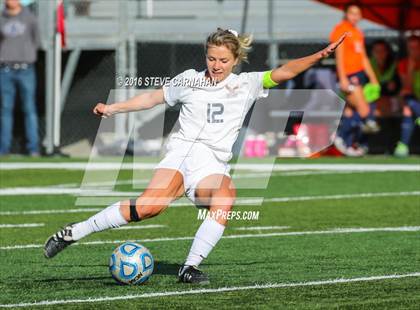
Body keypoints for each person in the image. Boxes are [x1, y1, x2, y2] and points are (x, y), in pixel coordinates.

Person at [44, 28, 346, 284]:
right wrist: (113, 108)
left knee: (225, 198)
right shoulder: (188, 79)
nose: (216, 65)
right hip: (181, 156)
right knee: (150, 208)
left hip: (212, 165)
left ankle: (189, 267)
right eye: (212, 58)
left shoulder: (247, 83)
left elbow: (286, 71)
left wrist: (319, 55)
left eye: (223, 60)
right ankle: (74, 232)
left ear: (236, 60)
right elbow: (152, 97)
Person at [330, 2, 381, 156]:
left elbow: (363, 57)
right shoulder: (340, 29)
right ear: (345, 13)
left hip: (359, 76)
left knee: (351, 112)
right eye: (352, 13)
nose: (355, 16)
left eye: (357, 13)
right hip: (349, 76)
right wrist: (343, 78)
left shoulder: (358, 32)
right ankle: (341, 136)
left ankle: (349, 142)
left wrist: (373, 78)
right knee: (364, 110)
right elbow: (338, 56)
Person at [0, 0, 40, 156]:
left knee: (29, 108)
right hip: (5, 70)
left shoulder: (29, 17)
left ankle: (33, 148)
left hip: (26, 69)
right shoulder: (1, 17)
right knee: (5, 109)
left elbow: (36, 40)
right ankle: (4, 149)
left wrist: (26, 55)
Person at [394, 35, 420, 157]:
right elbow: (407, 87)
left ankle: (403, 145)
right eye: (411, 48)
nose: (414, 51)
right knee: (407, 103)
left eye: (416, 47)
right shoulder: (404, 64)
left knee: (408, 108)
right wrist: (411, 67)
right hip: (415, 100)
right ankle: (403, 146)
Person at [370, 39, 400, 116]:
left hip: (390, 97)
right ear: (372, 52)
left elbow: (396, 85)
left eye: (382, 50)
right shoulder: (368, 65)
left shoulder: (394, 64)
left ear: (387, 52)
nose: (380, 54)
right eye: (377, 51)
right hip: (373, 98)